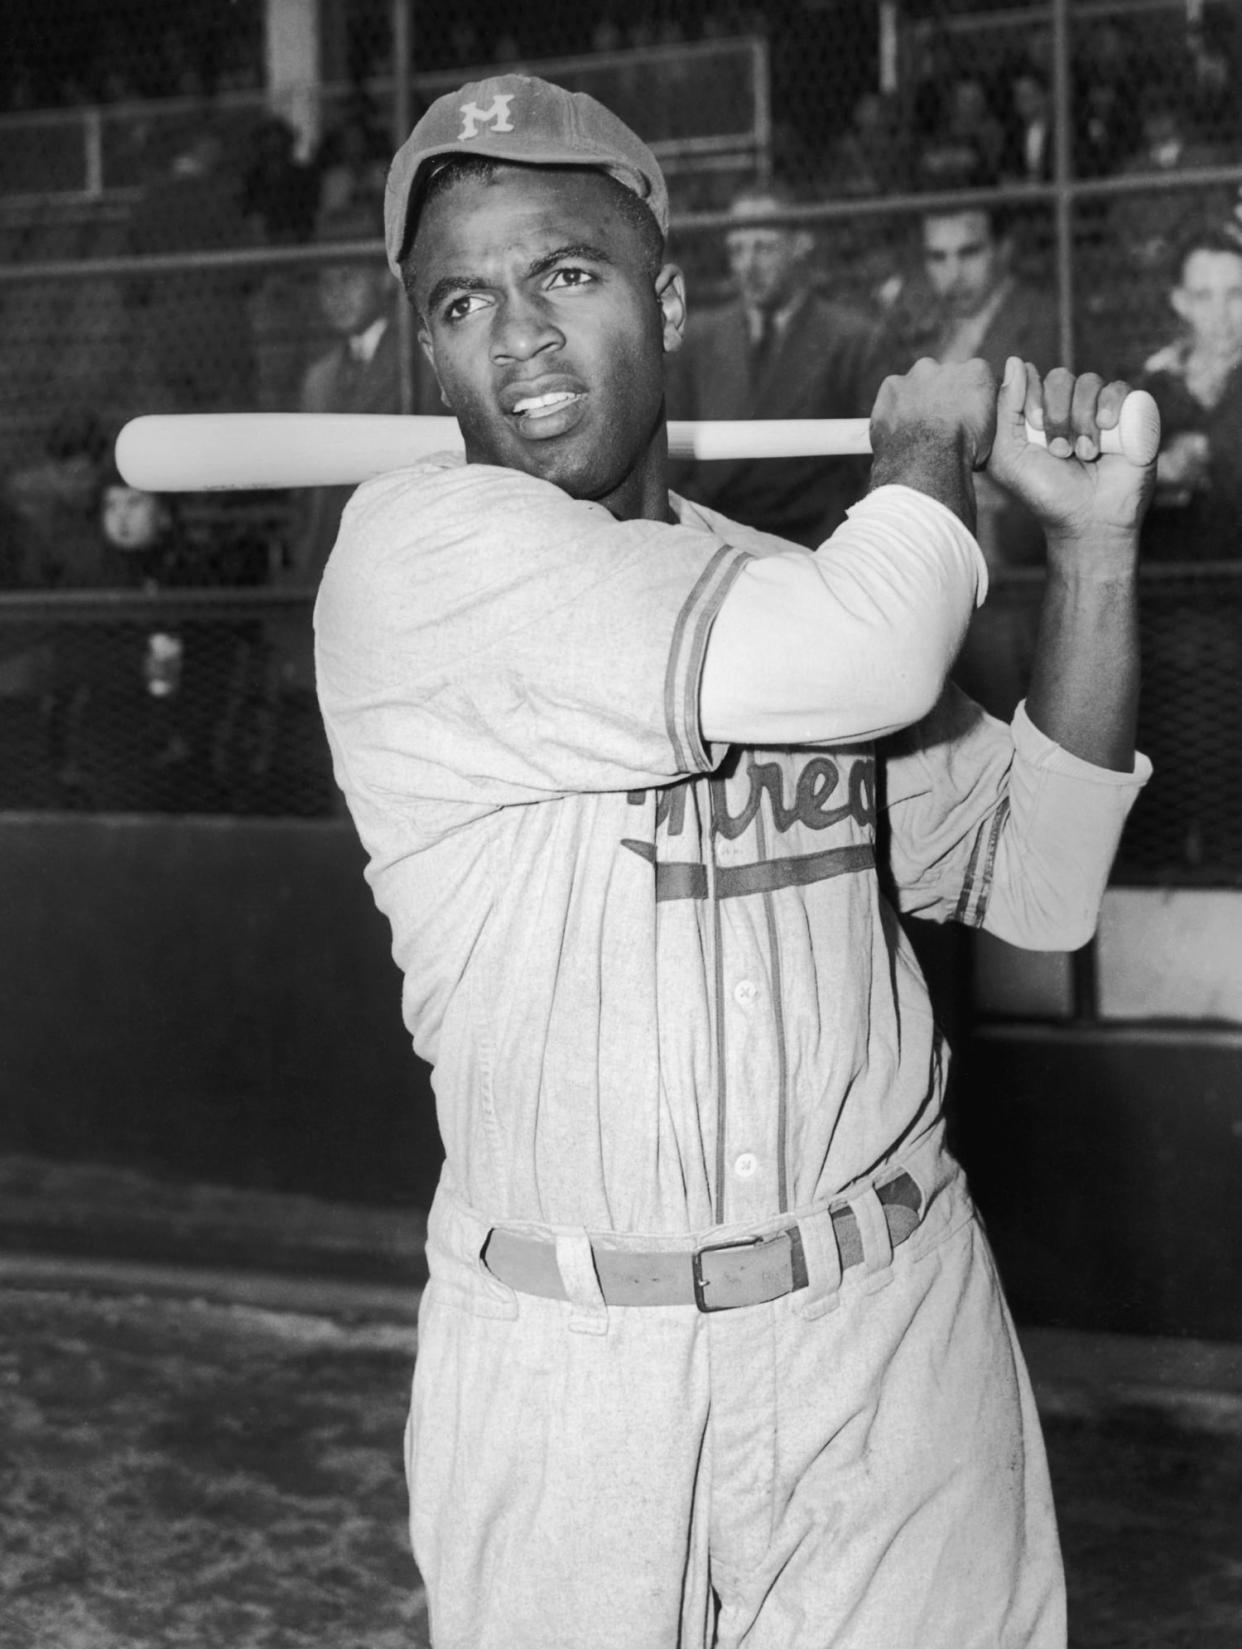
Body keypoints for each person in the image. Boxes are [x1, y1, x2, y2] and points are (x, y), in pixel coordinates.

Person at [313, 73, 1153, 1648]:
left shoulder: (775, 592)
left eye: (566, 274)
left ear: (670, 296)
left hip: (888, 1330)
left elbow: (1037, 881)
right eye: (462, 302)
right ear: (428, 348)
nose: (519, 339)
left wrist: (1094, 548)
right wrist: (922, 452)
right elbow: (868, 650)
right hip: (578, 1365)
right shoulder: (419, 558)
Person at [666, 181, 887, 546]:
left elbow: (869, 467)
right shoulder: (699, 339)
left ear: (801, 244)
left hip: (816, 539)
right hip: (712, 537)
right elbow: (673, 459)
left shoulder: (853, 340)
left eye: (764, 248)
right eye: (737, 249)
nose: (748, 266)